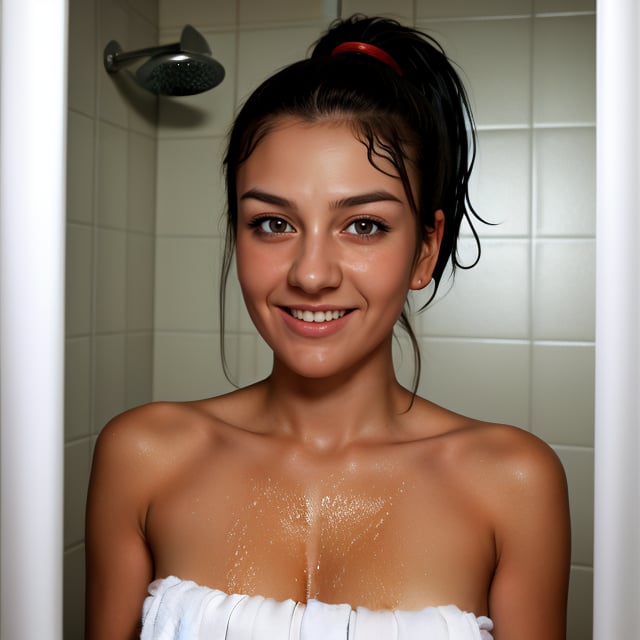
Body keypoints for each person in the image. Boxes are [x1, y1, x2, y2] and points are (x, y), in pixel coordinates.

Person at [85, 15, 571, 640]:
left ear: (426, 249)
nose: (311, 275)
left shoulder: (512, 483)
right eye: (273, 223)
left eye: (364, 225)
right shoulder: (144, 456)